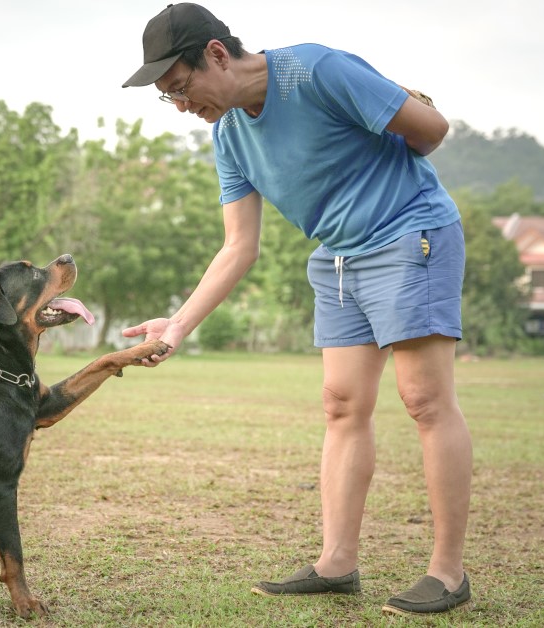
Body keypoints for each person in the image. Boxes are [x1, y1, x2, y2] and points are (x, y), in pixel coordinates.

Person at [120, 3, 473, 617]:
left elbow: (432, 130)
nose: (180, 104)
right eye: (167, 97)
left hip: (408, 232)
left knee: (425, 401)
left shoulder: (316, 71)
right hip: (338, 257)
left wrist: (395, 113)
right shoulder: (229, 134)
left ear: (216, 54)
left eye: (181, 87)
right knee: (341, 404)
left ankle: (447, 573)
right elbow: (239, 246)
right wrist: (178, 323)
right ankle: (337, 563)